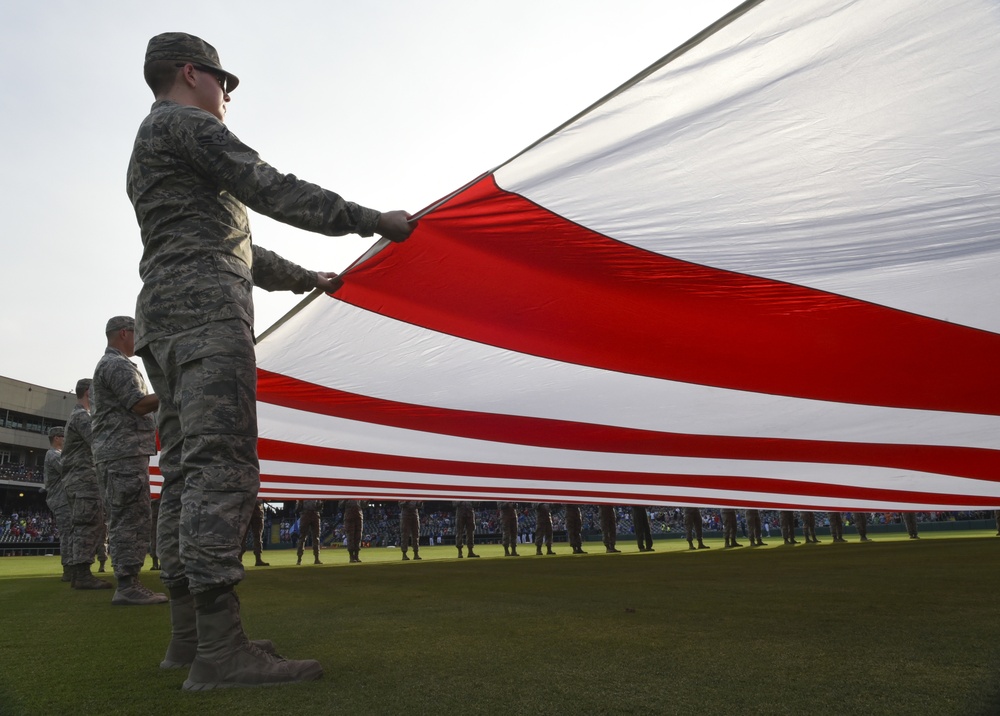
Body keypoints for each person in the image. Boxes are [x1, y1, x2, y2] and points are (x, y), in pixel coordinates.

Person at [127, 32, 414, 689]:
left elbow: (239, 249)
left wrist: (309, 277)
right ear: (194, 73)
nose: (228, 96)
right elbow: (268, 186)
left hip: (169, 319)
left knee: (185, 474)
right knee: (221, 472)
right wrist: (371, 219)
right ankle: (221, 655)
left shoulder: (154, 142)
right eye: (224, 83)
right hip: (205, 319)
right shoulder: (187, 124)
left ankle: (191, 638)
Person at [91, 315, 167, 606]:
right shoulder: (116, 364)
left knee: (131, 517)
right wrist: (172, 389)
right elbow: (137, 405)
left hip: (122, 453)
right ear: (124, 333)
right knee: (129, 519)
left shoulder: (114, 364)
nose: (141, 339)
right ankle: (127, 585)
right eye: (138, 333)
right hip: (122, 454)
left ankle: (128, 582)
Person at [62, 379, 113, 590]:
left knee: (87, 523)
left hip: (82, 478)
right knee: (88, 524)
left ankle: (79, 572)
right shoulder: (82, 417)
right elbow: (99, 441)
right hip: (83, 479)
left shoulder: (80, 415)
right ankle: (82, 574)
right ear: (88, 391)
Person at [42, 427, 72, 581]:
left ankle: (72, 568)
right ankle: (68, 570)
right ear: (56, 438)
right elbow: (67, 469)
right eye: (62, 436)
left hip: (65, 499)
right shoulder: (52, 454)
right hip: (61, 500)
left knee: (71, 534)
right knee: (67, 535)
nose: (65, 439)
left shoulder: (59, 454)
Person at [239, 500, 268, 566]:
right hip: (253, 513)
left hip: (250, 513)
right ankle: (257, 559)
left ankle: (240, 558)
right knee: (255, 537)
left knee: (254, 537)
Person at [295, 500, 322, 565]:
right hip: (305, 514)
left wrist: (321, 503)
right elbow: (297, 509)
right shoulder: (302, 496)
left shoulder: (316, 496)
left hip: (314, 514)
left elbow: (320, 507)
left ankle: (317, 558)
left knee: (316, 537)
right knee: (302, 537)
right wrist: (300, 503)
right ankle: (299, 559)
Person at [150, 498, 161, 570]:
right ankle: (155, 563)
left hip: (161, 515)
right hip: (154, 516)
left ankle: (160, 563)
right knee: (154, 539)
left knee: (162, 539)